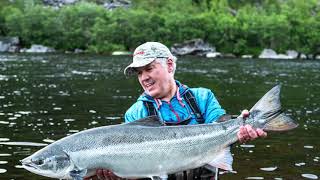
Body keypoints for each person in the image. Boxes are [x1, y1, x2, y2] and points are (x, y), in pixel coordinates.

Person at [85, 42, 267, 180]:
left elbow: (223, 127)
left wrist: (242, 127)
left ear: (170, 65)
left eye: (149, 68)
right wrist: (118, 174)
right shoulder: (136, 113)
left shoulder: (202, 97)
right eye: (139, 73)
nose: (144, 78)